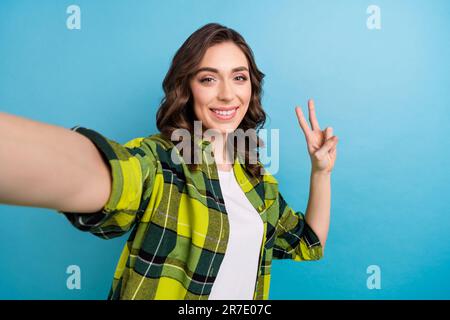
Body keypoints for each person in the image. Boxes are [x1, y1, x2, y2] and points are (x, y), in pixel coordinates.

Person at [0, 23, 338, 300]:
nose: (226, 94)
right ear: (187, 87)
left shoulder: (257, 182)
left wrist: (321, 172)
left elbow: (309, 244)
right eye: (208, 78)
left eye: (239, 77)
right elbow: (115, 175)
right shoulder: (162, 160)